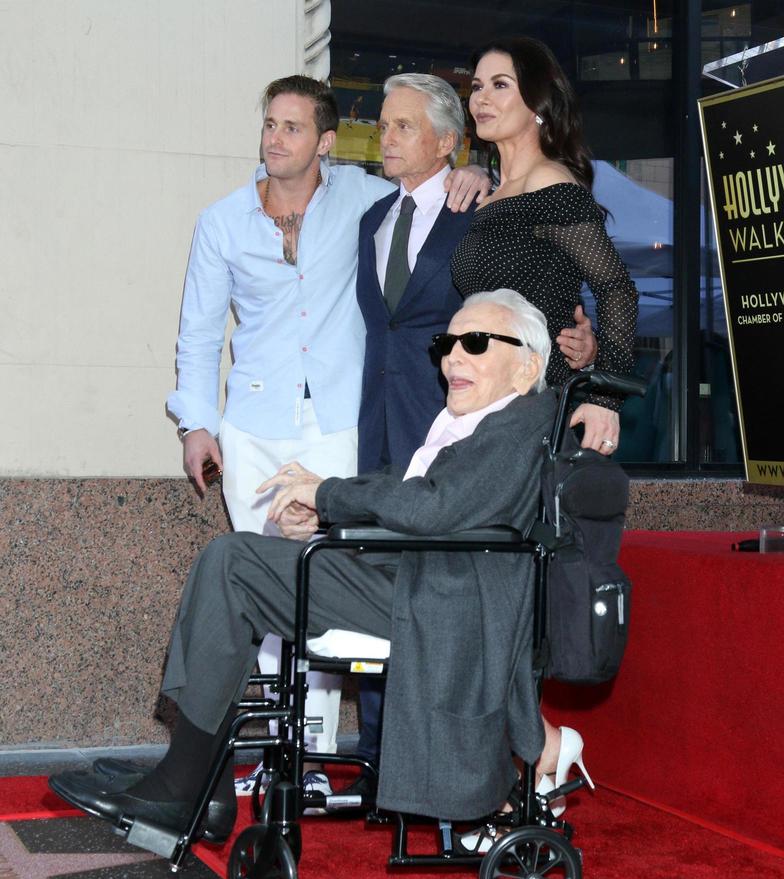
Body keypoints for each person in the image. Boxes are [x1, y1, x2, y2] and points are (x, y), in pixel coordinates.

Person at [49, 289, 565, 835]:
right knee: (234, 563)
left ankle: (188, 784)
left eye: (475, 343)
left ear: (526, 365)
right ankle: (195, 777)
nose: (452, 357)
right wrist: (322, 519)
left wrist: (325, 496)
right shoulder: (479, 420)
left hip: (439, 598)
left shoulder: (522, 421)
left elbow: (433, 507)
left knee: (234, 564)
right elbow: (420, 497)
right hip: (415, 578)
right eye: (447, 342)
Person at [164, 75, 489, 794]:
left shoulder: (366, 201)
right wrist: (197, 424)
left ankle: (309, 757)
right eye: (269, 124)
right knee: (264, 588)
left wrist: (474, 170)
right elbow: (197, 333)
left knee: (321, 586)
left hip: (342, 424)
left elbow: (431, 198)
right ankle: (276, 755)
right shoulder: (221, 221)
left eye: (291, 127)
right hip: (252, 427)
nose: (274, 138)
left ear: (325, 141)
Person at [353, 72, 598, 786]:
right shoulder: (371, 217)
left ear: (445, 141)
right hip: (379, 425)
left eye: (402, 127)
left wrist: (576, 340)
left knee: (452, 595)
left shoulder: (480, 209)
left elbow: (526, 299)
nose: (386, 138)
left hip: (458, 427)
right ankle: (380, 756)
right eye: (384, 124)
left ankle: (460, 760)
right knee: (383, 582)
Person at [452, 37, 639, 458]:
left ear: (537, 102)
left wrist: (605, 399)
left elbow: (616, 288)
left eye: (500, 85)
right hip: (488, 401)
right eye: (477, 86)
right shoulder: (494, 196)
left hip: (537, 405)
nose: (481, 98)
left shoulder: (550, 184)